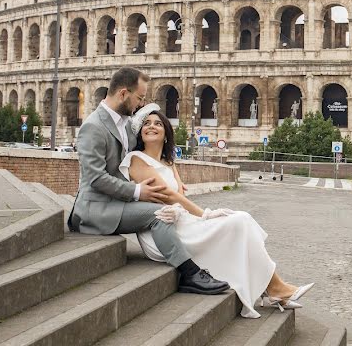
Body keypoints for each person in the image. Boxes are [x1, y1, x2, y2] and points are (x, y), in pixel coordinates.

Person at [121, 104, 313, 318]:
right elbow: (168, 195)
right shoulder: (135, 159)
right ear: (140, 132)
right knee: (238, 221)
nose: (151, 126)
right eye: (146, 123)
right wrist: (204, 214)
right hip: (163, 232)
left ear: (166, 132)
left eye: (157, 123)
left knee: (242, 219)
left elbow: (180, 197)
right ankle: (275, 289)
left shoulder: (168, 162)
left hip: (181, 220)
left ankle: (274, 289)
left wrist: (195, 214)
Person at [69, 67, 229, 296]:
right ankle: (190, 274)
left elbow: (157, 151)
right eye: (139, 98)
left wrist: (175, 178)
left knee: (165, 209)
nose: (141, 104)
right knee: (158, 215)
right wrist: (136, 191)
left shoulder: (124, 123)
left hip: (115, 201)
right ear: (124, 94)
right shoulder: (93, 127)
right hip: (95, 208)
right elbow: (95, 178)